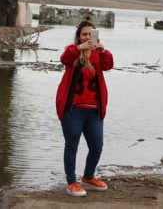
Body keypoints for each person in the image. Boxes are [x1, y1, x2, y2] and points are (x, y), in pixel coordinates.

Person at [55, 20, 114, 197]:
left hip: (94, 110)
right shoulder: (73, 52)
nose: (88, 37)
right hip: (73, 109)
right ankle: (71, 182)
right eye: (84, 34)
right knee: (71, 146)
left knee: (97, 146)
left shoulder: (97, 55)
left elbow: (108, 65)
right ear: (79, 37)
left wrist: (103, 51)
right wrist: (79, 48)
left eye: (91, 34)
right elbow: (64, 58)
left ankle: (88, 177)